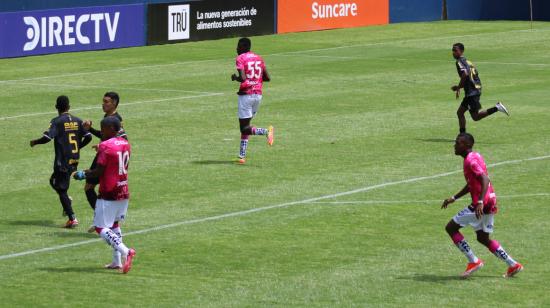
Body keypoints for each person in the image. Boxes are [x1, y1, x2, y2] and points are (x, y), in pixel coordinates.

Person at [441, 133, 523, 278]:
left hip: (482, 204)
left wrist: (479, 202)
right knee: (483, 238)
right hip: (490, 201)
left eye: (458, 143)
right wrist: (454, 197)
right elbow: (473, 183)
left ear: (467, 145)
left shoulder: (469, 161)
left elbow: (484, 178)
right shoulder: (476, 156)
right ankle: (513, 264)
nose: (454, 145)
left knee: (451, 228)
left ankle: (474, 261)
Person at [73, 116, 135, 273]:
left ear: (111, 129)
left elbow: (99, 171)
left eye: (103, 129)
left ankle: (126, 252)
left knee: (101, 227)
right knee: (114, 225)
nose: (102, 132)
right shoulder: (126, 143)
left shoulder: (105, 146)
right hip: (123, 189)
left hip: (108, 192)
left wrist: (83, 174)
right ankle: (117, 262)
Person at [30, 95, 92, 228]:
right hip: (74, 159)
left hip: (62, 161)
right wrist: (78, 147)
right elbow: (89, 137)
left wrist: (35, 142)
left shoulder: (57, 121)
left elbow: (47, 137)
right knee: (54, 181)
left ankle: (72, 218)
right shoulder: (77, 120)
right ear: (69, 107)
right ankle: (67, 202)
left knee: (61, 189)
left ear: (56, 107)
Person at [82, 92, 126, 233]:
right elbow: (105, 136)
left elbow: (123, 140)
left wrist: (104, 148)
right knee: (90, 187)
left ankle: (103, 220)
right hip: (103, 154)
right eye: (103, 101)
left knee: (90, 187)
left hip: (106, 158)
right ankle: (104, 219)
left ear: (114, 103)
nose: (103, 104)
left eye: (106, 101)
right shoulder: (108, 117)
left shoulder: (116, 119)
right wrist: (91, 130)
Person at [231, 37, 274, 164]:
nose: (236, 48)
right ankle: (241, 156)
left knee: (244, 128)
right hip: (258, 95)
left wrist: (235, 78)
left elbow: (243, 78)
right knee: (247, 126)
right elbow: (267, 78)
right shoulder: (259, 58)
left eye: (238, 46)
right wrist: (256, 80)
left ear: (244, 47)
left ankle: (267, 131)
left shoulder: (240, 58)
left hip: (246, 96)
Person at [451, 43, 509, 133]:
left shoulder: (459, 62)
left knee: (475, 117)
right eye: (453, 50)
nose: (453, 52)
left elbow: (465, 74)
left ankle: (497, 108)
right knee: (460, 113)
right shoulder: (468, 61)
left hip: (472, 92)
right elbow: (472, 76)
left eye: (455, 50)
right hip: (474, 90)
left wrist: (459, 87)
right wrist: (460, 87)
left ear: (461, 51)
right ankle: (462, 135)